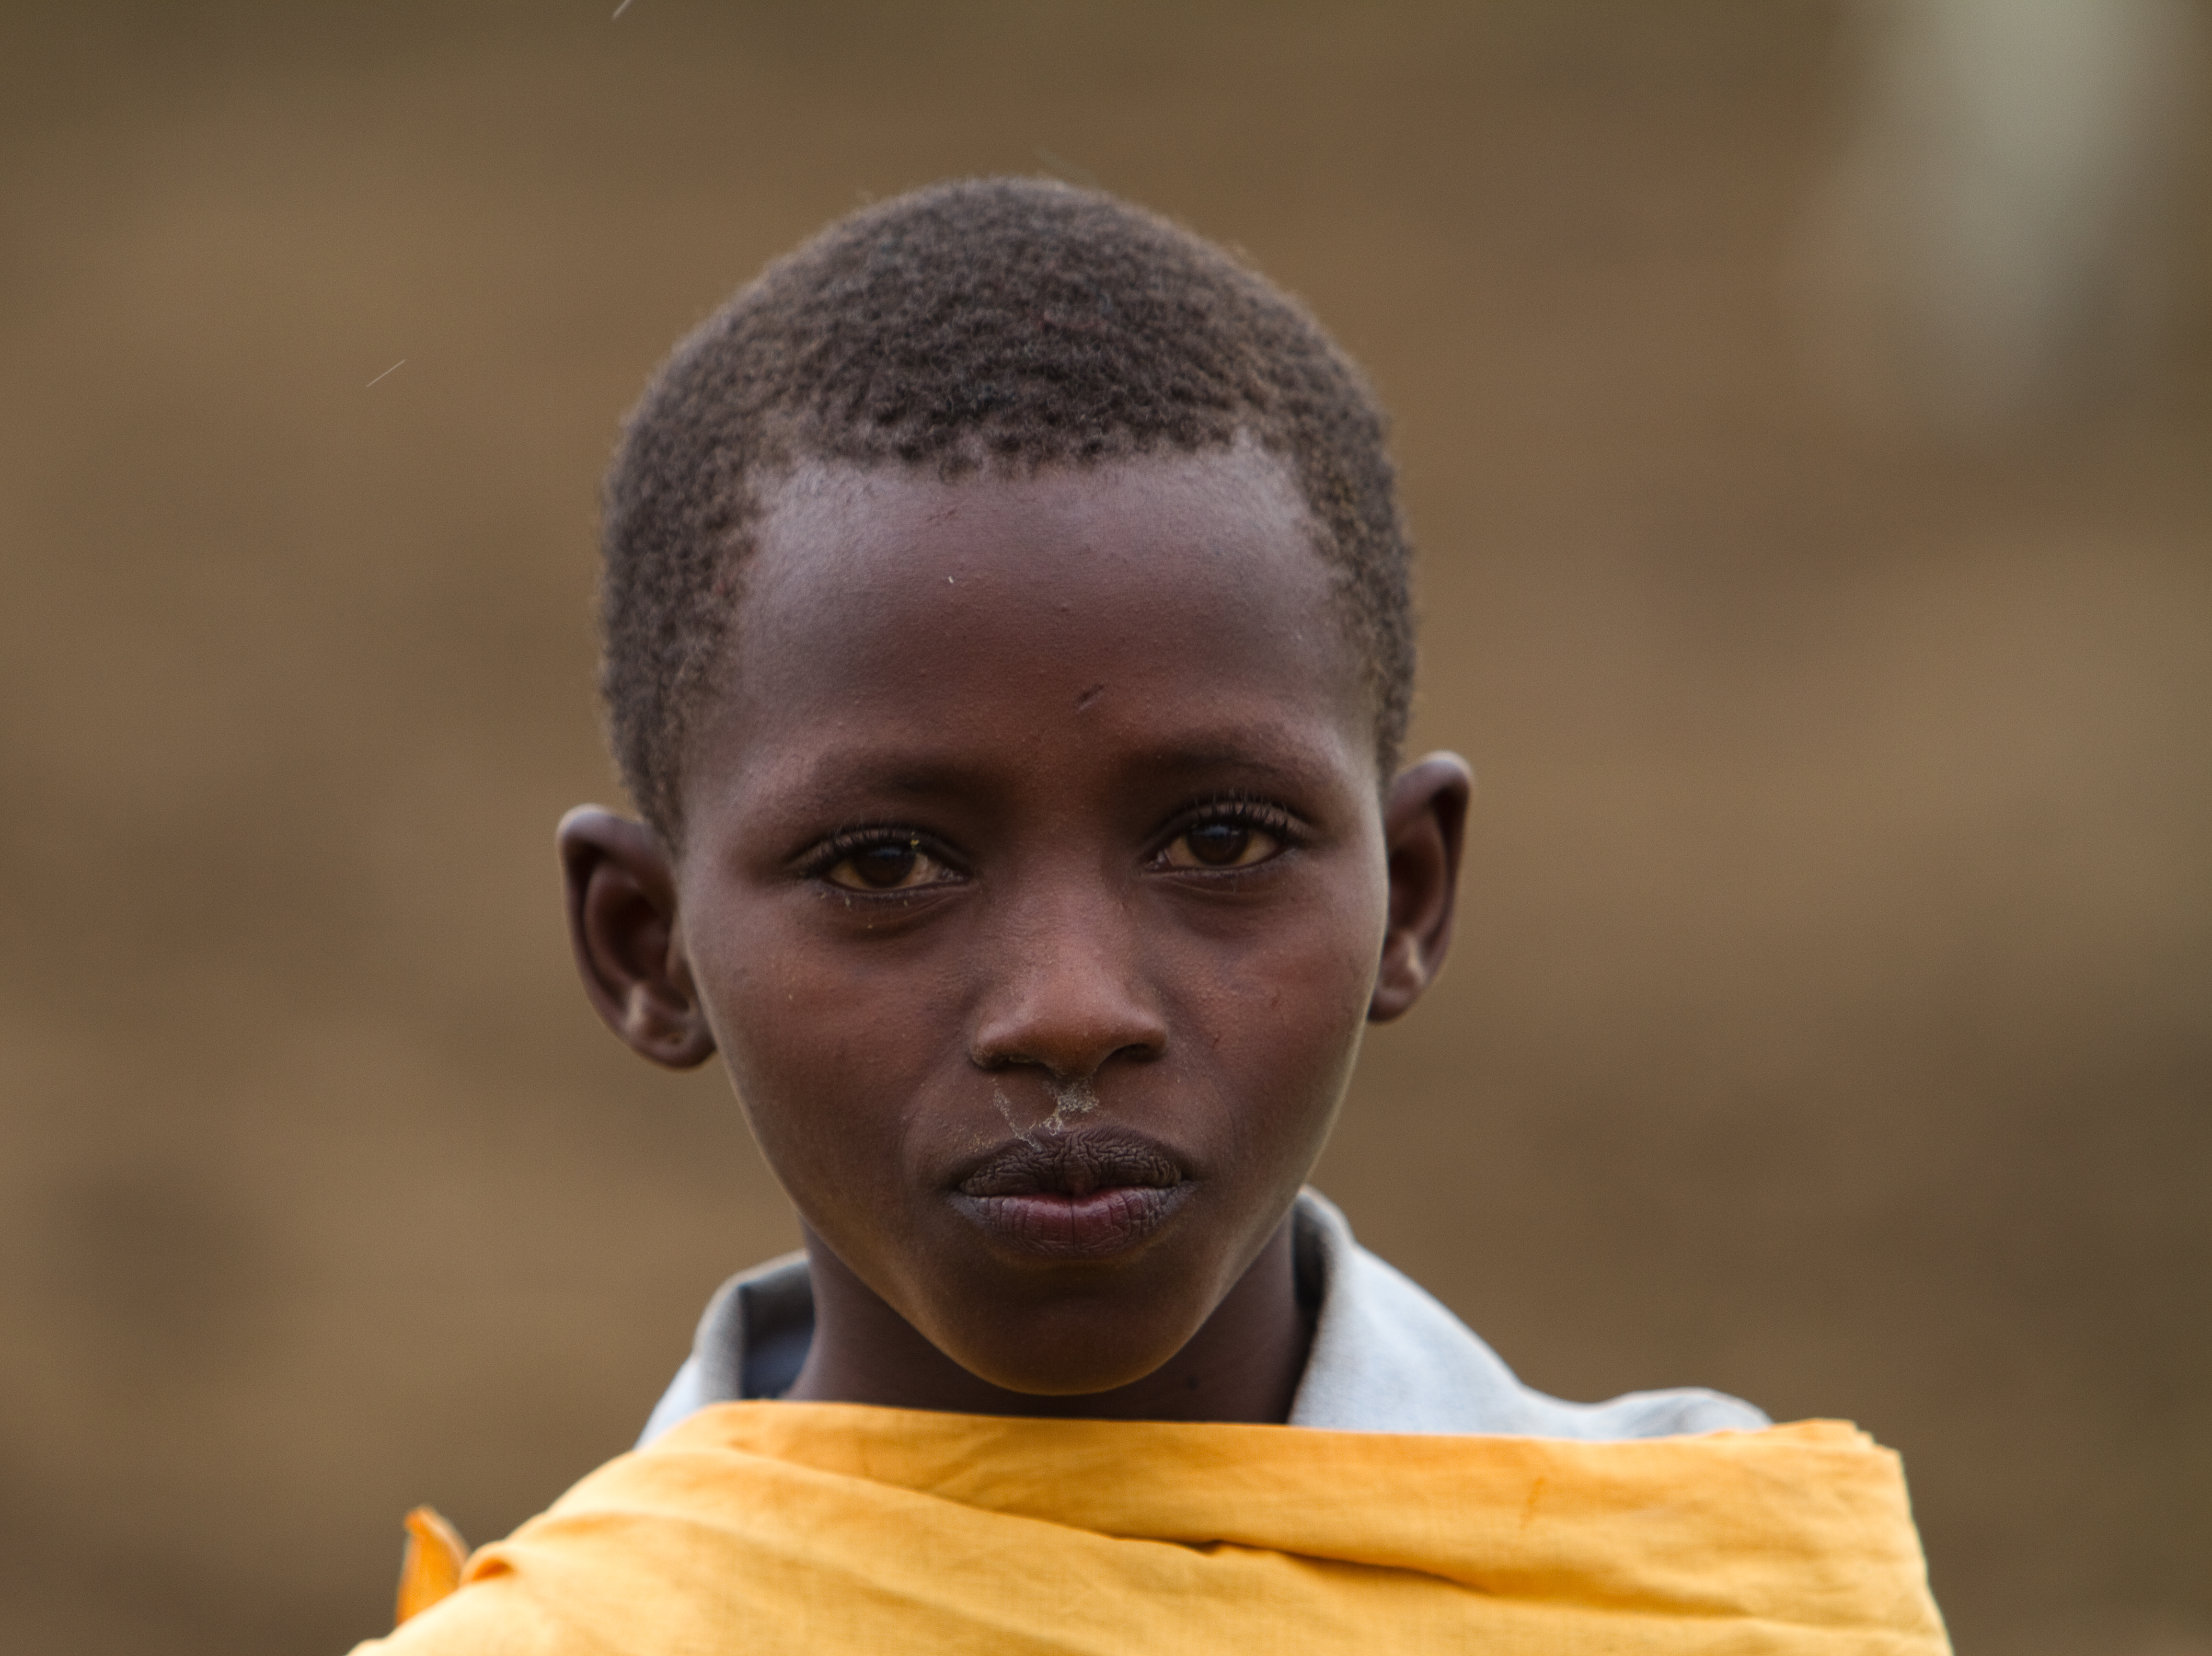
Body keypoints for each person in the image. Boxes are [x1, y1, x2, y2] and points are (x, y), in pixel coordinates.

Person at [355, 177, 1948, 1655]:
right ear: (647, 948)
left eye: (1222, 837)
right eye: (886, 869)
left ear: (1413, 894)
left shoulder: (1703, 1603)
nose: (1067, 1009)